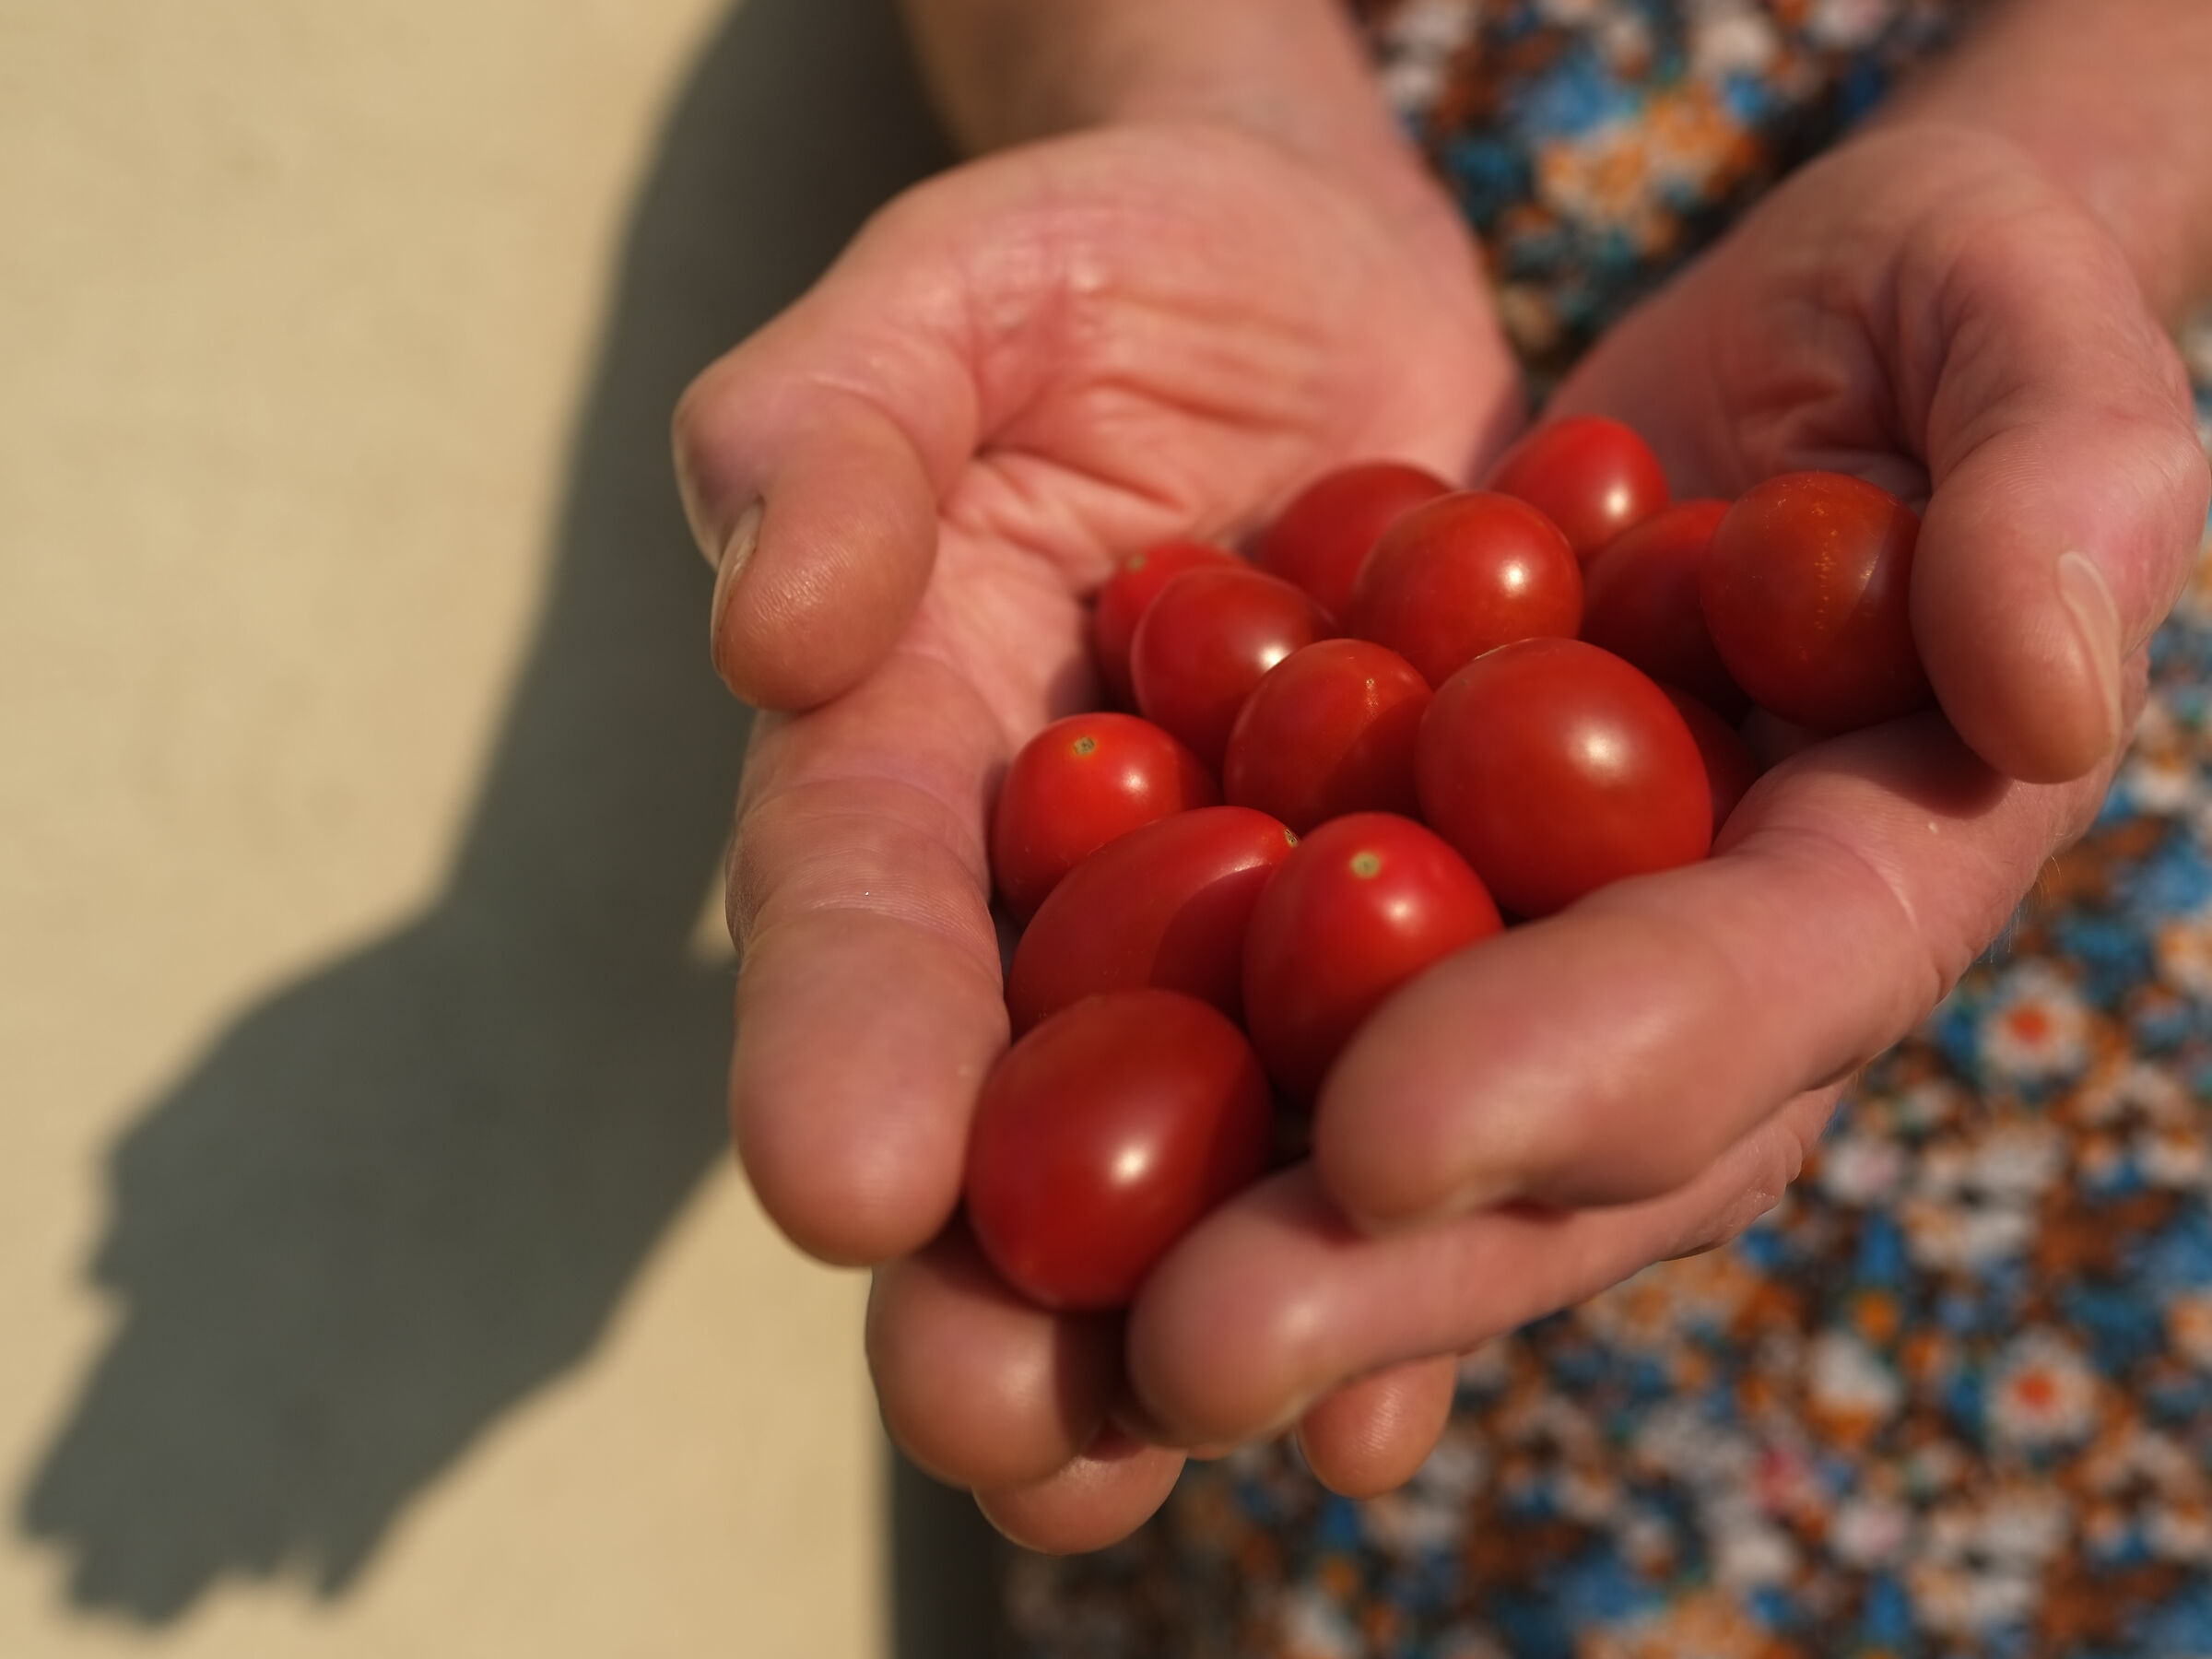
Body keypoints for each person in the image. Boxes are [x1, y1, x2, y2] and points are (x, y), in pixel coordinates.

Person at [674, 0, 2212, 1648]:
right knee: (1237, 1378)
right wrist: (1198, 89)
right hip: (1354, 1298)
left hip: (2020, 926)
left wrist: (2077, 163)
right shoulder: (1331, 772)